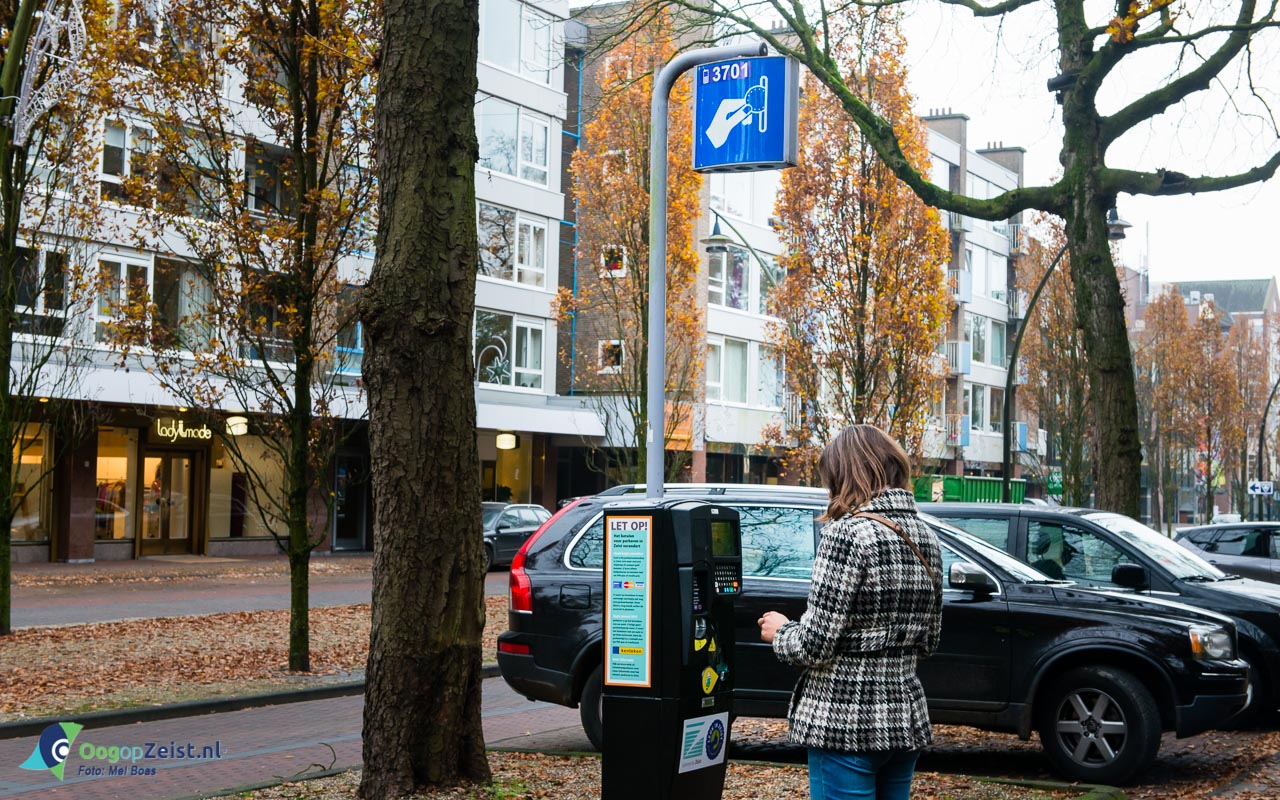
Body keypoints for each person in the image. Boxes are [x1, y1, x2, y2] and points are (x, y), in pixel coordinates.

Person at [759, 425, 943, 800]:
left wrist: (781, 631)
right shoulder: (926, 537)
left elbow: (814, 645)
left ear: (843, 475)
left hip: (845, 722)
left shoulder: (846, 534)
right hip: (903, 718)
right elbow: (929, 641)